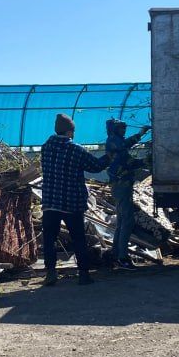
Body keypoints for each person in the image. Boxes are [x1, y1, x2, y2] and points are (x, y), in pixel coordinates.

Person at [40, 112, 109, 286]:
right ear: (70, 131)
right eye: (73, 130)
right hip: (71, 203)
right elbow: (96, 166)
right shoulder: (75, 149)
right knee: (78, 238)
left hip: (50, 203)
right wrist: (110, 156)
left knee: (49, 239)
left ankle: (50, 274)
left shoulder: (46, 147)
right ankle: (84, 275)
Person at [105, 119, 150, 269]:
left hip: (123, 186)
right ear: (114, 130)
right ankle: (123, 257)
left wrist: (145, 161)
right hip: (121, 186)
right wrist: (140, 134)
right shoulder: (113, 142)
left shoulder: (119, 147)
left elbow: (130, 162)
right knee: (127, 222)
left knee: (122, 221)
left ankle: (116, 254)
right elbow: (125, 146)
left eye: (124, 128)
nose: (124, 131)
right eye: (121, 128)